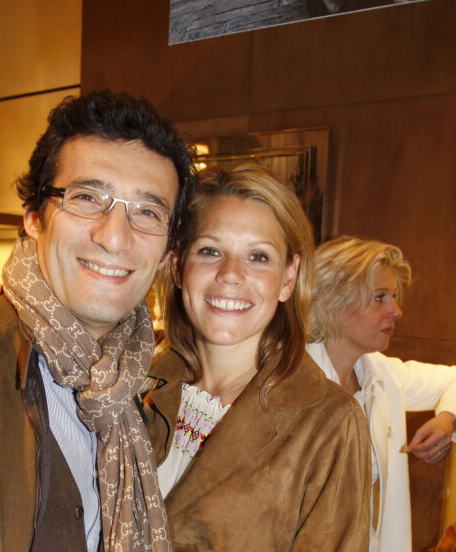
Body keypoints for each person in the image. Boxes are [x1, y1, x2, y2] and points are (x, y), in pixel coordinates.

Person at [0, 90, 196, 551]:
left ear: (167, 251)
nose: (113, 236)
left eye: (147, 212)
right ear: (33, 217)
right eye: (87, 197)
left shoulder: (144, 393)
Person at [141, 164, 371, 549]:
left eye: (259, 257)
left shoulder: (328, 424)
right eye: (211, 250)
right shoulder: (132, 385)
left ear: (288, 277)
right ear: (179, 265)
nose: (230, 274)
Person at [306, 236, 456, 552]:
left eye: (394, 296)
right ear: (332, 302)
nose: (397, 311)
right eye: (380, 298)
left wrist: (447, 419)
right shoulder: (288, 383)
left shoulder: (383, 374)